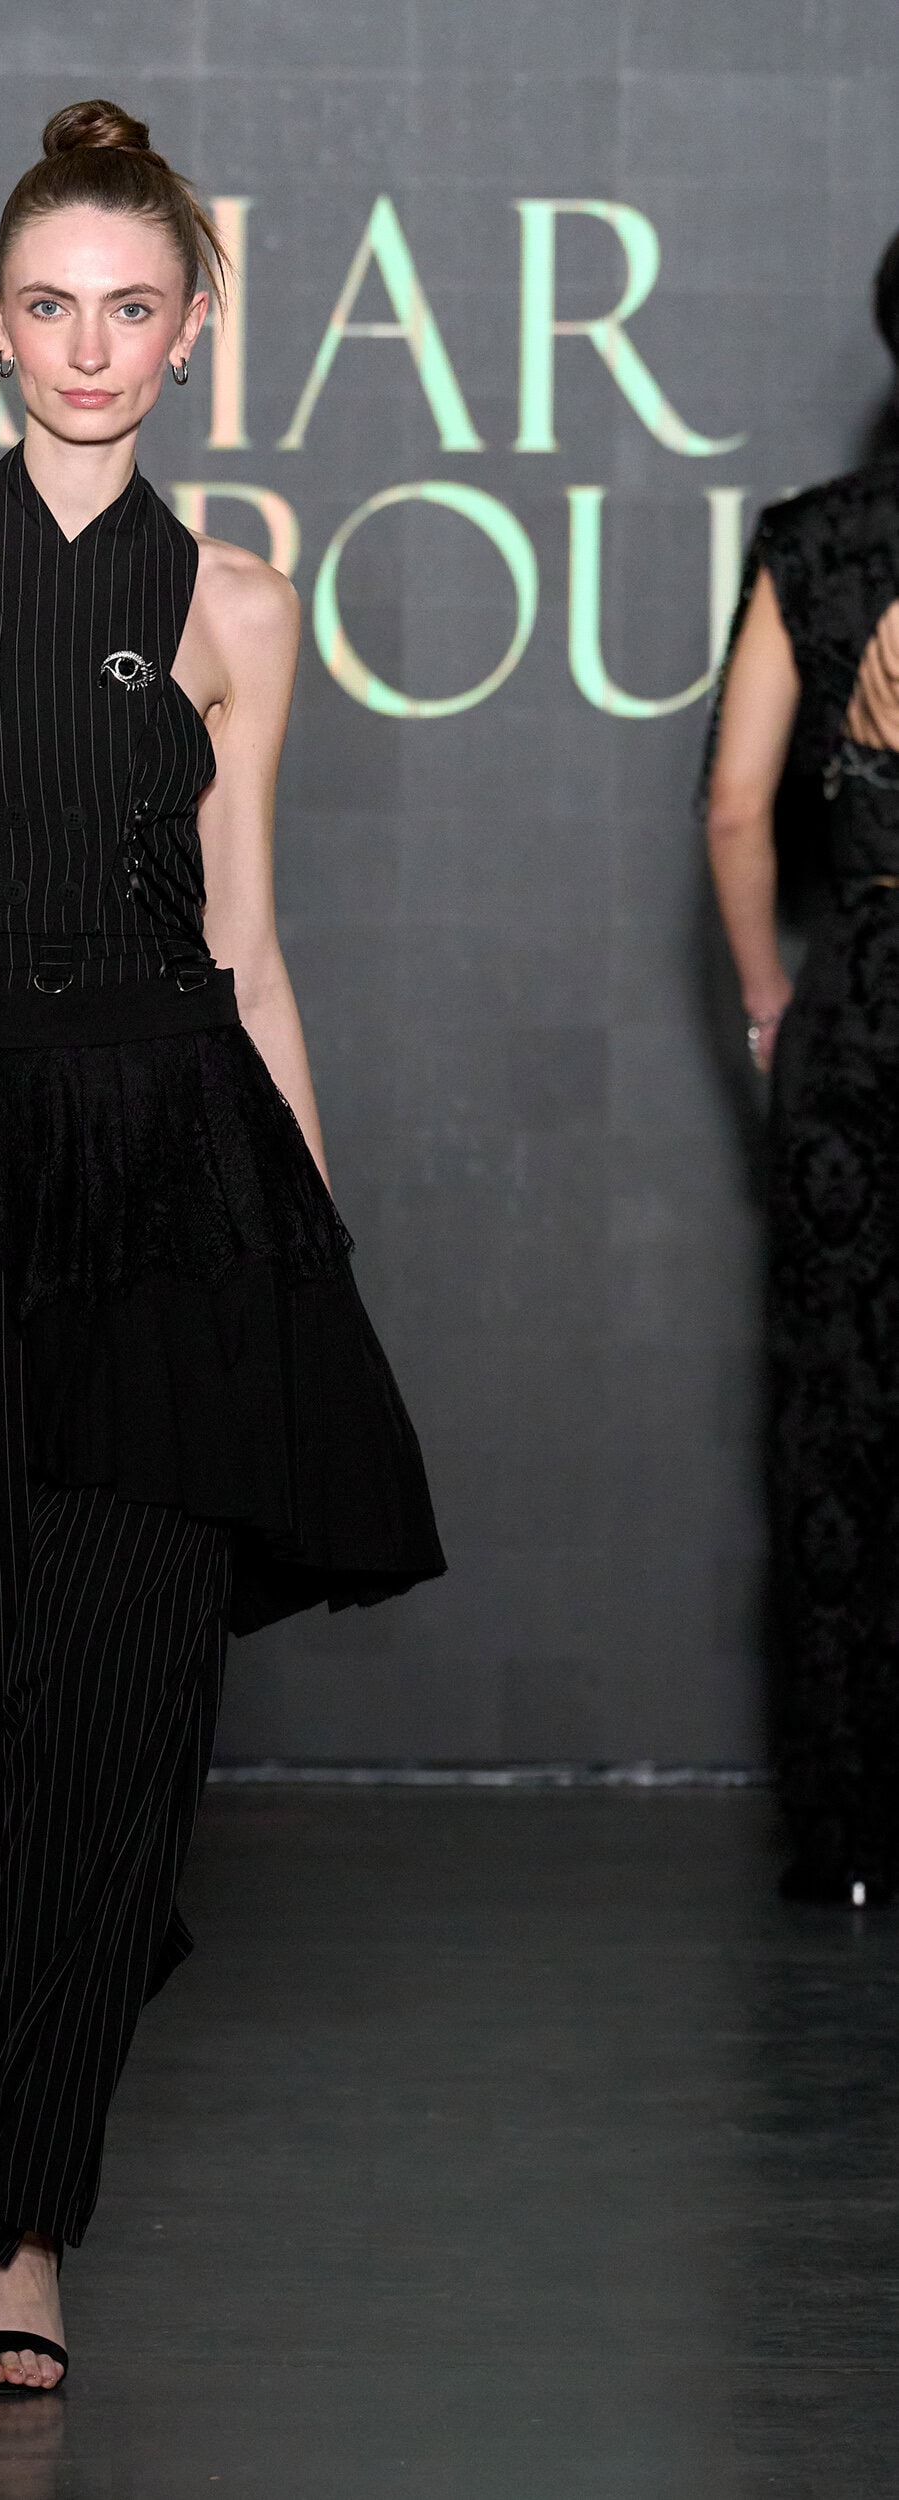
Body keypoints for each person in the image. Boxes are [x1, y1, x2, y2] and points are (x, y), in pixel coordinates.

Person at [0, 99, 444, 2394]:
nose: (90, 345)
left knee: (134, 1706)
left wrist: (307, 1251)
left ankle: (19, 2229)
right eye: (52, 305)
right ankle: (77, 1982)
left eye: (132, 307)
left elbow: (249, 950)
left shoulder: (240, 607)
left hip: (181, 1184)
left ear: (190, 333)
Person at [704, 228, 899, 1911]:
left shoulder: (817, 539)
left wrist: (774, 999)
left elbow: (731, 811)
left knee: (843, 1424)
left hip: (861, 1017)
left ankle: (845, 1833)